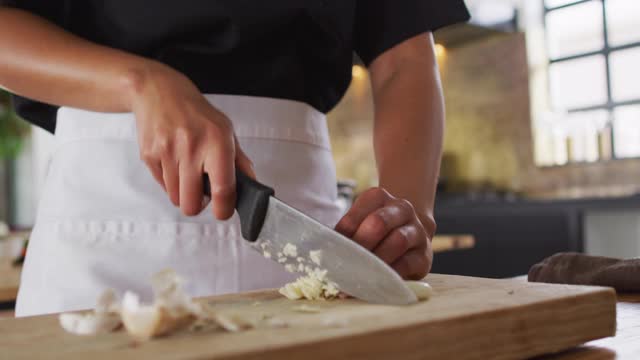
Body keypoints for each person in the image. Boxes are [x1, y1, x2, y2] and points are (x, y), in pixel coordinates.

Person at [0, 1, 470, 317]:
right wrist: (138, 83)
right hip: (102, 224)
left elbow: (405, 60)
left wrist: (408, 212)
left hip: (305, 230)